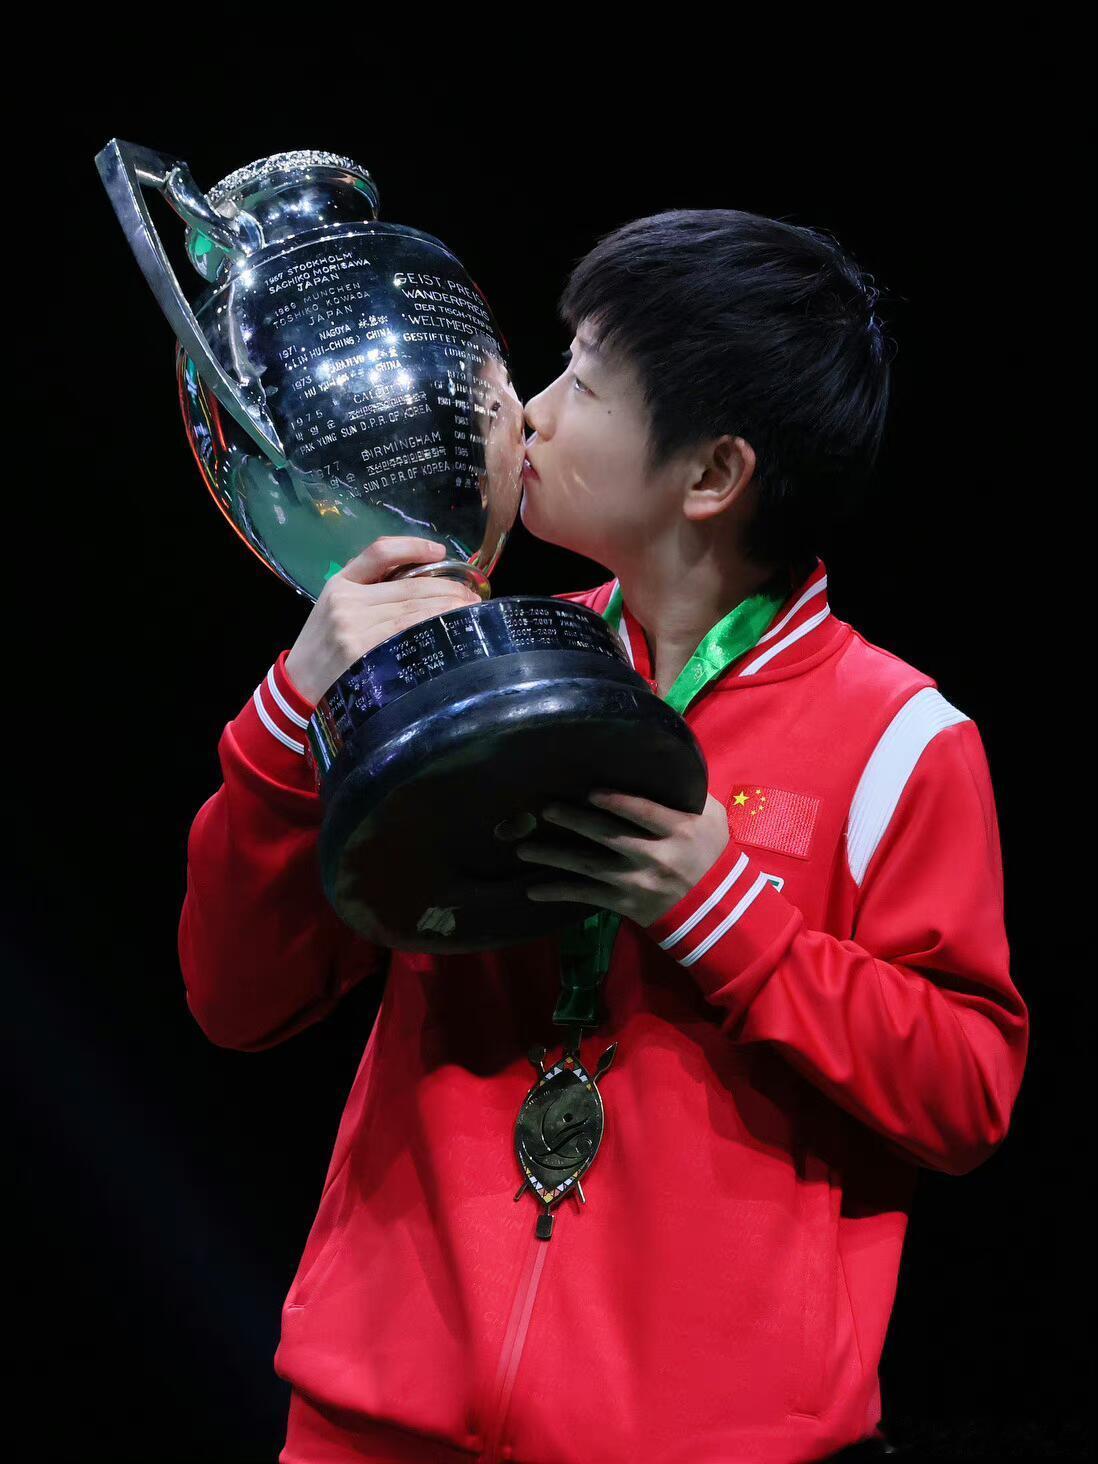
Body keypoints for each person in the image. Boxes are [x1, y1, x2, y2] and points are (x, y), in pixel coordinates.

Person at [178, 209, 1029, 1463]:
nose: (526, 414)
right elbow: (236, 1001)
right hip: (375, 1429)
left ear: (711, 476)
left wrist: (728, 922)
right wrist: (291, 708)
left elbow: (966, 1095)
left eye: (580, 383)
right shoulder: (475, 673)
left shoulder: (903, 740)